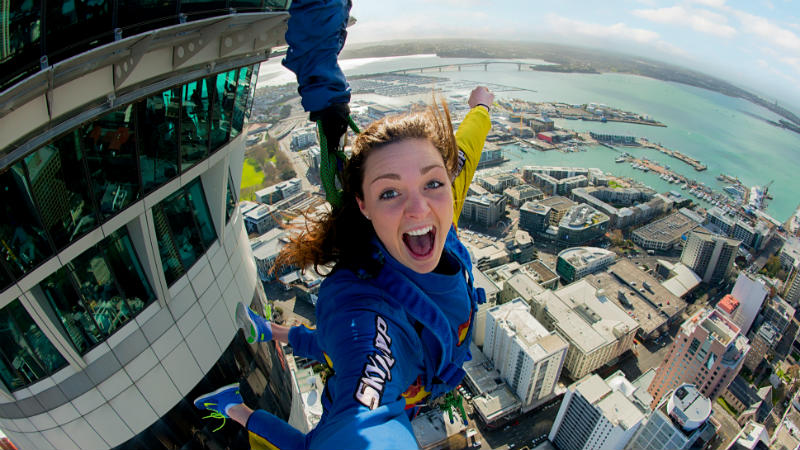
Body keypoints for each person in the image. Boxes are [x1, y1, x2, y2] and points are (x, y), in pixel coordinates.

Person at [194, 87, 494, 449]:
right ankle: (234, 408)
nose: (419, 209)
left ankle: (267, 330)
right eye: (389, 193)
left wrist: (480, 108)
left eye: (432, 182)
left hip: (411, 372)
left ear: (446, 181)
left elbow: (466, 149)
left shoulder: (443, 215)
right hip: (385, 376)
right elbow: (362, 424)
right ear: (363, 205)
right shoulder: (364, 313)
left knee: (327, 345)